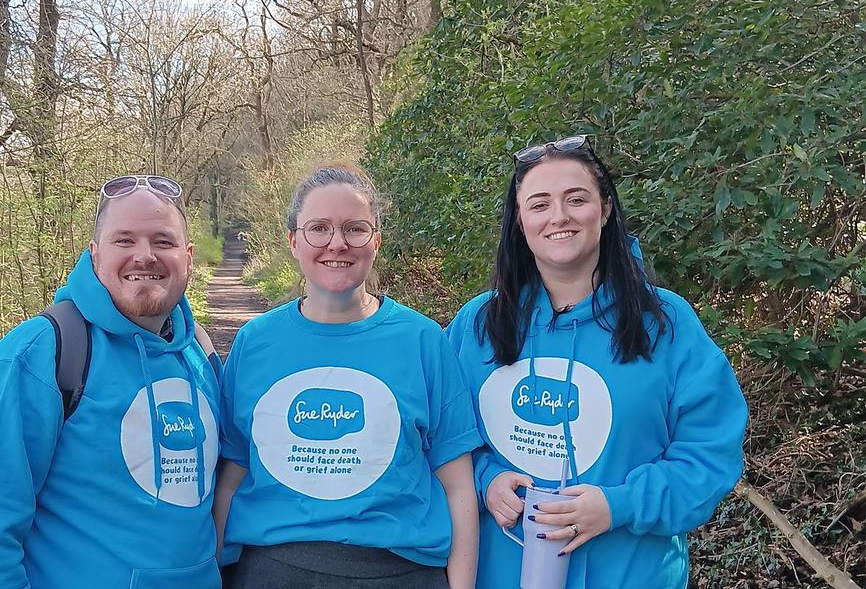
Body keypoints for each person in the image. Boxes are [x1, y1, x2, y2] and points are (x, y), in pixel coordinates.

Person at [445, 136, 748, 589]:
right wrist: (487, 480)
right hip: (499, 573)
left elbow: (709, 454)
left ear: (604, 209)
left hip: (631, 574)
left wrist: (618, 505)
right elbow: (444, 438)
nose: (559, 217)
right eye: (539, 204)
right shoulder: (478, 325)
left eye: (576, 199)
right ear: (520, 222)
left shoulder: (665, 324)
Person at [0, 176, 222, 588]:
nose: (145, 256)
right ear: (95, 253)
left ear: (188, 257)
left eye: (162, 241)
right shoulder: (39, 355)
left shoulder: (198, 354)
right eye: (124, 240)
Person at [214, 164, 483, 589]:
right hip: (272, 572)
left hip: (401, 573)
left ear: (375, 239)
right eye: (318, 228)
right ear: (293, 241)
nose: (336, 243)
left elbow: (458, 487)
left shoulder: (423, 341)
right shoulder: (255, 342)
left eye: (354, 229)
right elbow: (231, 478)